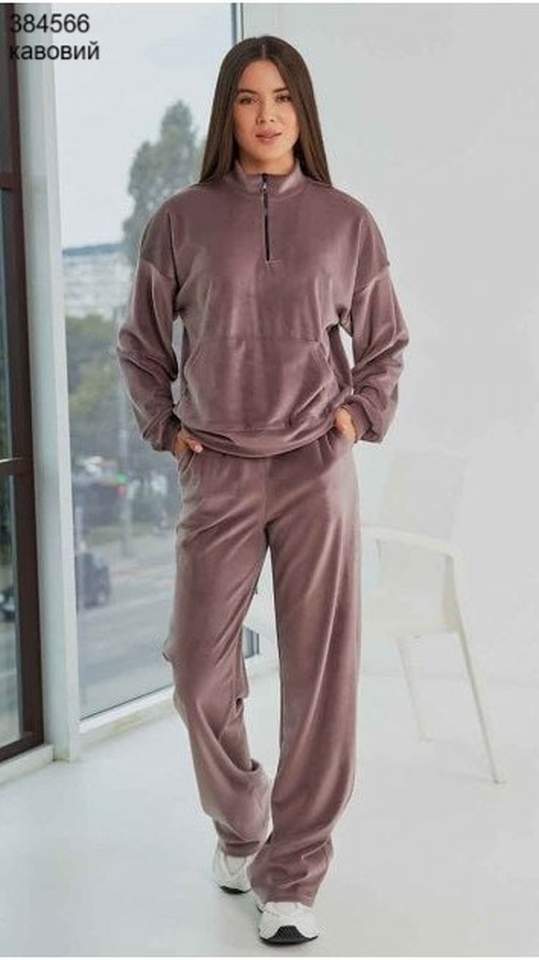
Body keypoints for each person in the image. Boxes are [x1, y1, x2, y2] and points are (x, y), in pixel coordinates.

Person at [116, 34, 410, 946]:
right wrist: (168, 429)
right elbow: (140, 345)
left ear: (302, 110)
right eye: (247, 98)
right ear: (227, 113)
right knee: (199, 673)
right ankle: (242, 824)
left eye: (281, 97)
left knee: (319, 677)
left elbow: (385, 345)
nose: (267, 115)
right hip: (219, 469)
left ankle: (293, 874)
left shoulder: (347, 221)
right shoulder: (180, 220)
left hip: (316, 468)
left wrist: (354, 418)